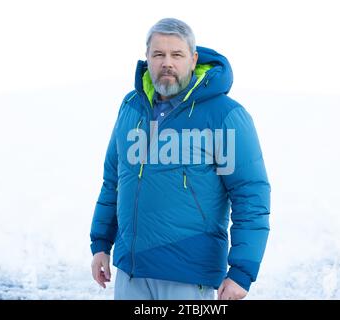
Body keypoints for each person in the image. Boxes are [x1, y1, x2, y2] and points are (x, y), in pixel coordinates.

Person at [90, 18, 271, 300]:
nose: (167, 63)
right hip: (131, 273)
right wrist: (101, 244)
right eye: (158, 54)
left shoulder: (224, 115)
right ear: (147, 58)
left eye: (177, 54)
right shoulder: (130, 107)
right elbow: (113, 181)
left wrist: (241, 271)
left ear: (193, 58)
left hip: (188, 274)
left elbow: (250, 195)